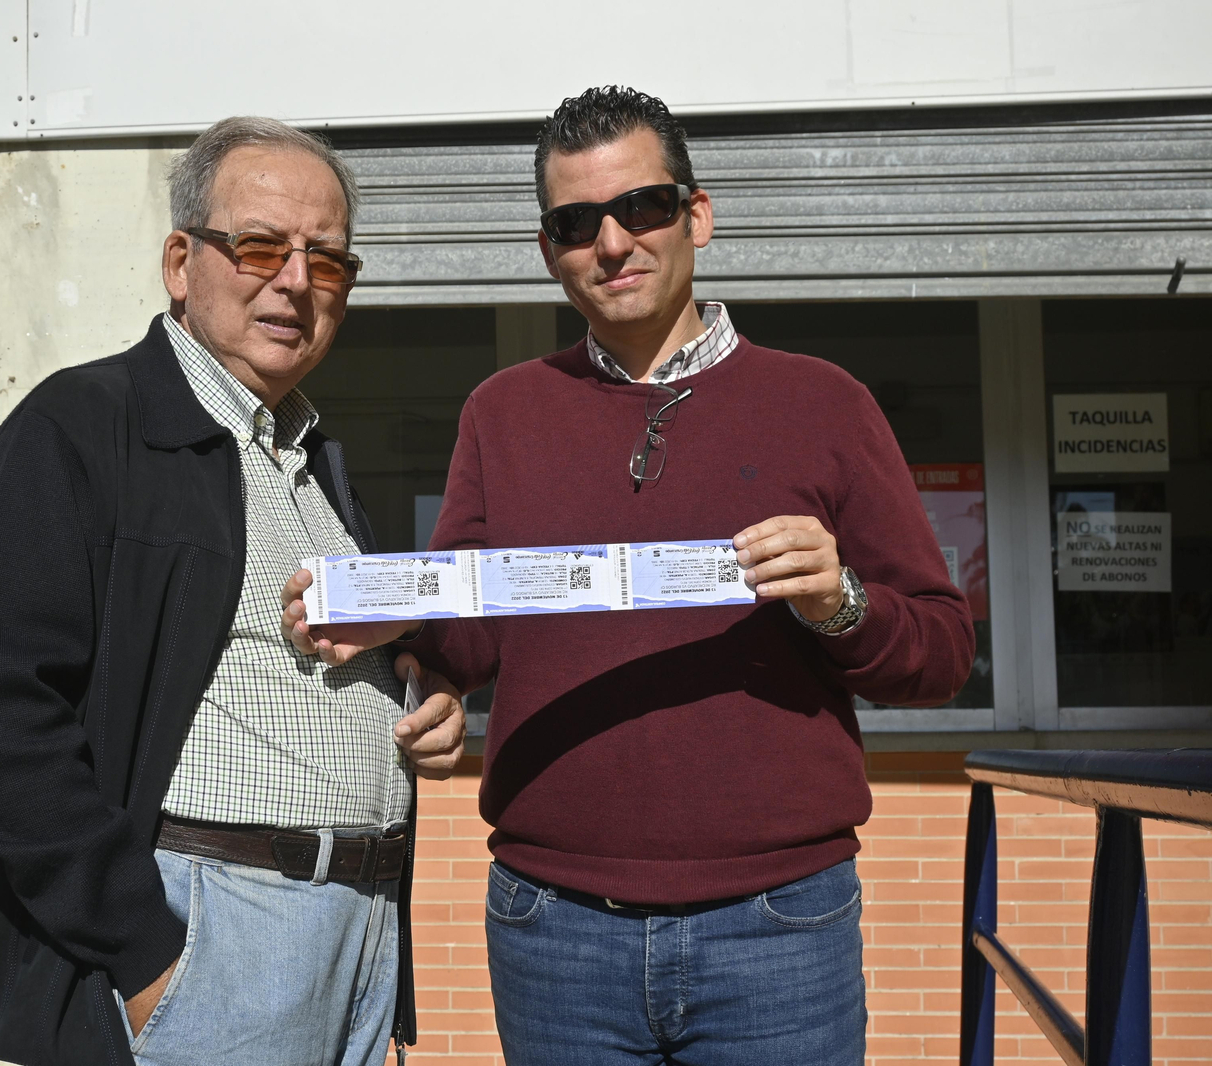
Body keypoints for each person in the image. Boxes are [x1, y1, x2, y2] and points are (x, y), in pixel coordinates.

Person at [282, 86, 974, 1065]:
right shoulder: (503, 409)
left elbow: (941, 652)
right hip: (553, 925)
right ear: (547, 250)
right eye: (576, 223)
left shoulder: (824, 402)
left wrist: (839, 601)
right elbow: (478, 625)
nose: (611, 242)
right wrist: (402, 641)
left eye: (640, 207)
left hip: (777, 924)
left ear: (696, 213)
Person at [0, 116, 465, 1066]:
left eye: (327, 259)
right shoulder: (82, 429)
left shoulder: (312, 460)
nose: (295, 280)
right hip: (213, 938)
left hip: (363, 935)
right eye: (259, 245)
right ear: (182, 262)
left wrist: (419, 697)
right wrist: (145, 947)